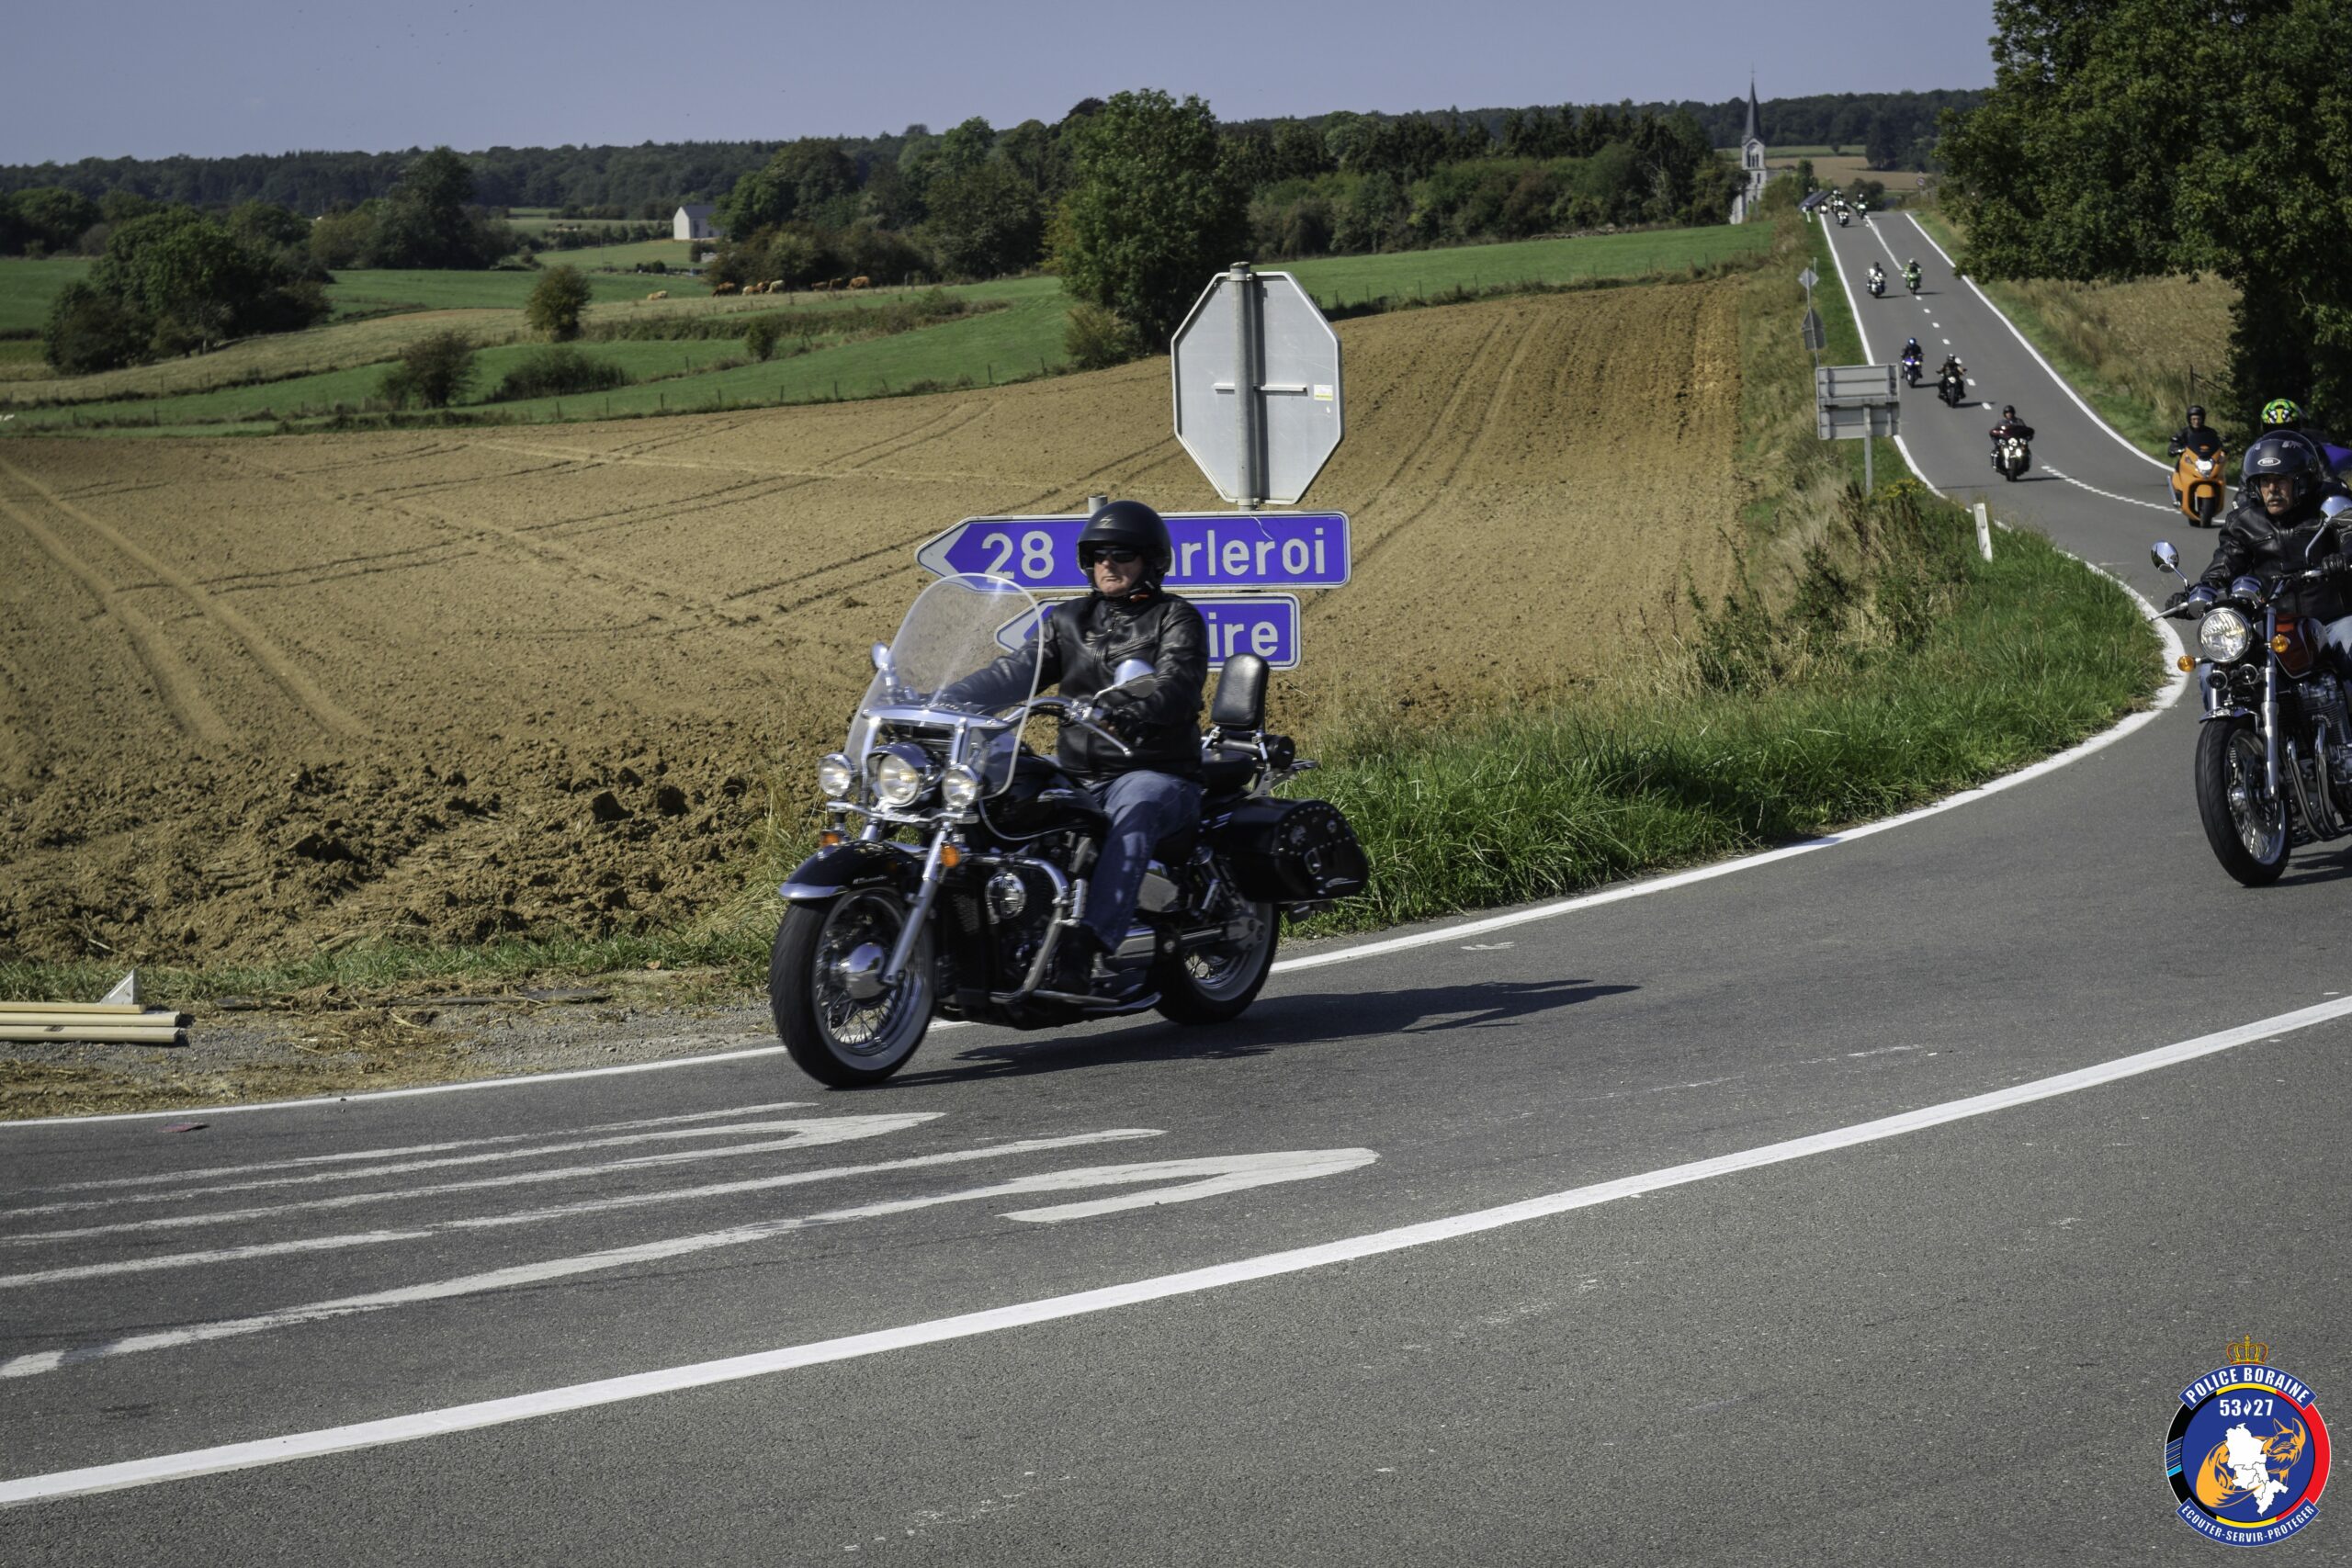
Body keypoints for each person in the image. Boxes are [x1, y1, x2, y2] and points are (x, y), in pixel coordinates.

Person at [946, 500, 1206, 1000]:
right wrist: (946, 698)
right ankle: (989, 932)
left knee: (1137, 807)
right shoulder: (1068, 619)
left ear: (1152, 561)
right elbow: (1014, 672)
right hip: (1076, 772)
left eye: (1122, 554)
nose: (1108, 564)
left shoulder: (1175, 618)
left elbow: (1177, 683)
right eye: (1097, 555)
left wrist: (1135, 709)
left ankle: (1087, 946)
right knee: (999, 791)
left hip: (1154, 770)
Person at [2177, 434, 2352, 618]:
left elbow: (2349, 534)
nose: (2272, 489)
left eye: (2280, 480)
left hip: (2333, 618)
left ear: (2301, 482)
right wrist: (2196, 594)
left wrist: (2343, 558)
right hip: (2270, 620)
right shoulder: (2245, 522)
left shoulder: (2330, 504)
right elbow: (2223, 566)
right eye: (2265, 481)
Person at [1988, 404, 2035, 471]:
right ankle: (1997, 464)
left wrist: (2027, 436)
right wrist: (1997, 437)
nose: (2009, 414)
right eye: (2007, 413)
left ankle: (2024, 464)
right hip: (2005, 442)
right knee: (1997, 451)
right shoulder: (2001, 422)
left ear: (2013, 413)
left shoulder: (2018, 421)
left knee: (2025, 451)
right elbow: (1994, 431)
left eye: (2010, 412)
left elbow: (2025, 430)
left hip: (2017, 442)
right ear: (2005, 414)